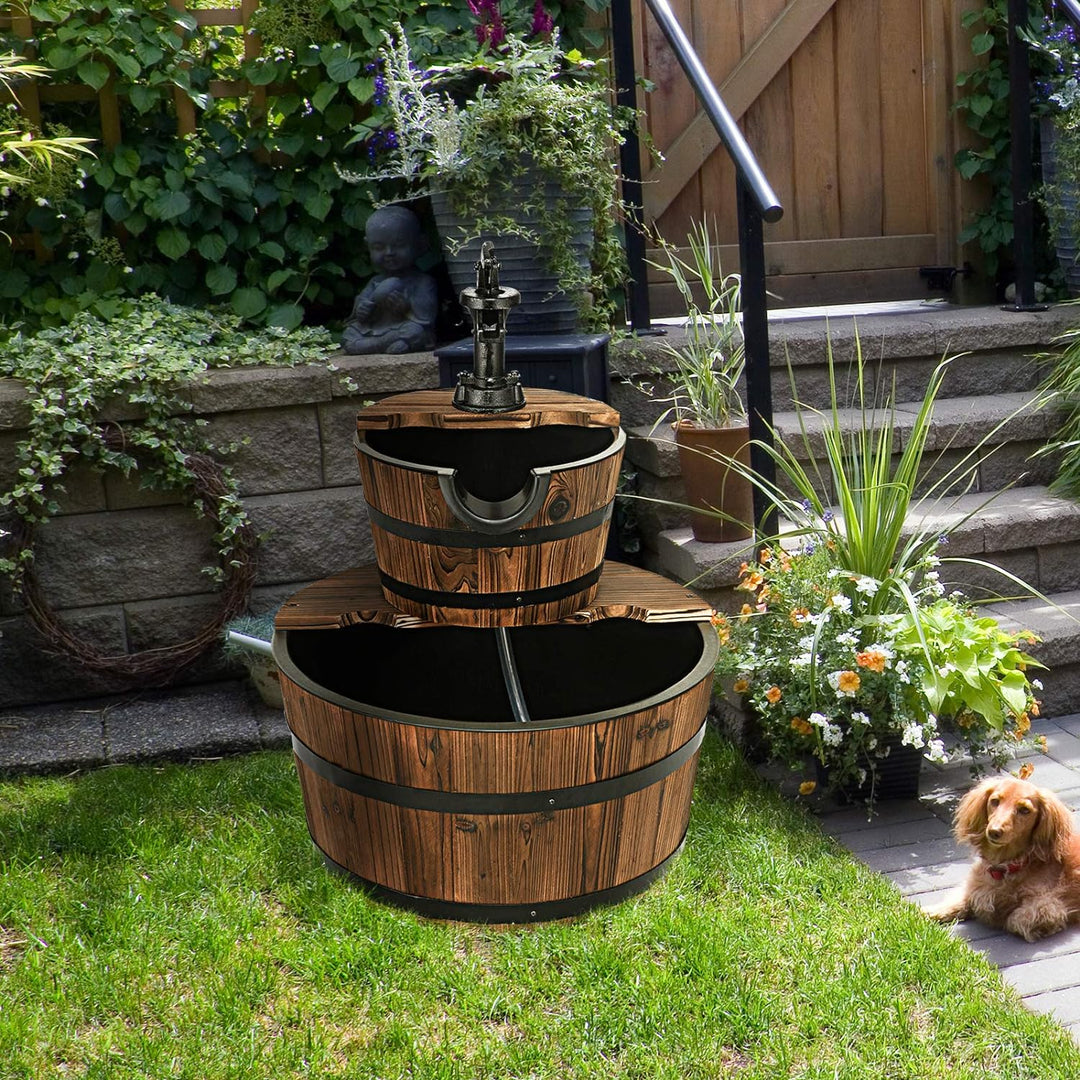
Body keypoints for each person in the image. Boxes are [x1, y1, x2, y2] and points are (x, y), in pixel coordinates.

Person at [341, 205, 438, 354]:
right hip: (377, 329)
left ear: (421, 244)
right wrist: (362, 310)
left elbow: (426, 319)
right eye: (379, 247)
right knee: (349, 334)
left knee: (416, 332)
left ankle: (368, 346)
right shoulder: (375, 281)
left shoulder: (423, 282)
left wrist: (405, 308)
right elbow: (359, 313)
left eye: (399, 246)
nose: (389, 253)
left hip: (403, 329)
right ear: (368, 247)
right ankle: (382, 344)